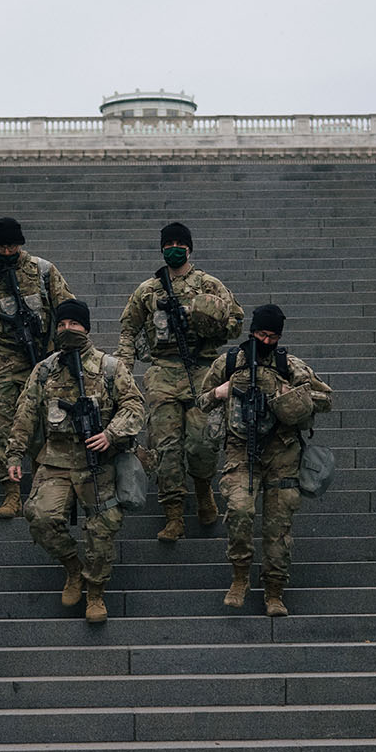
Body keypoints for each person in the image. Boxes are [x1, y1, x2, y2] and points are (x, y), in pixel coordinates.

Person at [6, 299, 145, 623]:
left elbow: (134, 407)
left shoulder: (111, 367)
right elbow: (25, 414)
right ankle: (73, 568)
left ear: (87, 328)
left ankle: (95, 592)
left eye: (74, 325)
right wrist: (14, 453)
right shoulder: (45, 369)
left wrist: (111, 433)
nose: (68, 330)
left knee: (103, 525)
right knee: (39, 515)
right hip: (56, 457)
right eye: (63, 324)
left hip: (98, 460)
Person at [196, 304, 333, 616]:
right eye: (261, 334)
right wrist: (221, 392)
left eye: (273, 335)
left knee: (278, 528)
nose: (267, 341)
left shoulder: (290, 365)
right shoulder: (229, 362)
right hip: (240, 451)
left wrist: (291, 394)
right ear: (252, 331)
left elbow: (326, 399)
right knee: (240, 512)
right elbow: (201, 401)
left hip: (282, 453)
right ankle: (240, 577)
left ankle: (274, 591)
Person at [117, 221, 243, 542]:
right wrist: (122, 371)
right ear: (161, 248)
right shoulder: (148, 290)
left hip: (202, 370)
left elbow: (235, 322)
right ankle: (173, 514)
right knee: (166, 445)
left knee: (202, 440)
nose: (173, 248)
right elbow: (129, 329)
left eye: (179, 243)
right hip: (162, 372)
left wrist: (205, 319)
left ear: (189, 247)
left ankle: (203, 489)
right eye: (168, 243)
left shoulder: (208, 284)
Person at [0, 217, 76, 518]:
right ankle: (11, 491)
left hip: (41, 356)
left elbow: (68, 310)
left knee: (46, 422)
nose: (7, 251)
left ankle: (42, 487)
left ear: (21, 243)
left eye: (12, 245)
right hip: (1, 357)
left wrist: (71, 352)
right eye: (2, 246)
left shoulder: (44, 271)